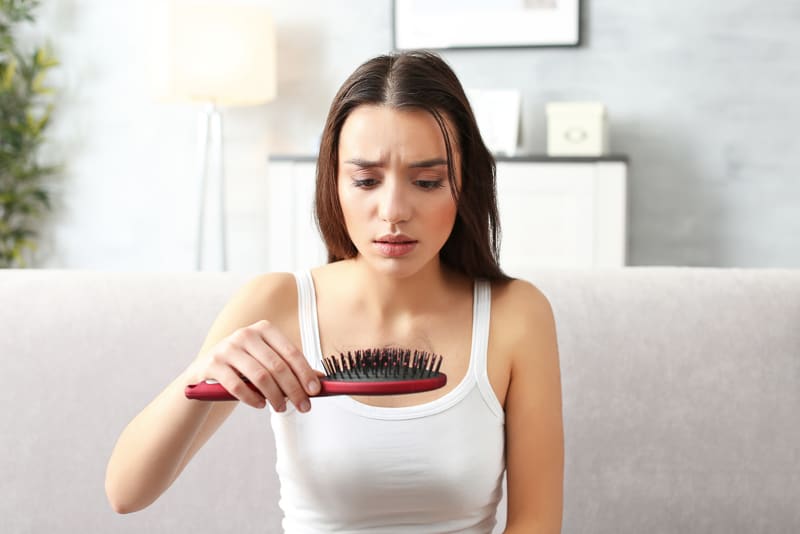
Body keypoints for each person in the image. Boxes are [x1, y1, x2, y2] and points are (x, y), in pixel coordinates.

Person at [105, 50, 564, 533]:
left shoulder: (517, 315)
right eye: (366, 180)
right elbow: (126, 492)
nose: (393, 210)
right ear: (333, 181)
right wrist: (202, 372)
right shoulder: (274, 304)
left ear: (464, 184)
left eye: (427, 181)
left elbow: (536, 521)